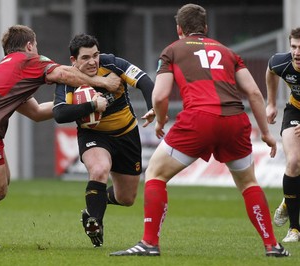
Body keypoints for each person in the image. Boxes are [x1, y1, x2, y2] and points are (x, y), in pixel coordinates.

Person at [110, 3, 290, 257]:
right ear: (205, 28)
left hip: (199, 120)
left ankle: (149, 243)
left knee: (156, 174)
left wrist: (160, 121)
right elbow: (253, 93)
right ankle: (272, 245)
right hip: (235, 121)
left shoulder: (173, 50)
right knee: (249, 183)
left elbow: (160, 96)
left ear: (179, 29)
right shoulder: (228, 52)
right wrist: (266, 133)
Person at [0, 25, 121, 249]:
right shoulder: (28, 60)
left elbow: (36, 113)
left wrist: (78, 106)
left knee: (1, 183)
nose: (38, 50)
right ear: (29, 45)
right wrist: (103, 83)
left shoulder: (10, 71)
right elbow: (64, 73)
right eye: (36, 46)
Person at [53, 34, 155, 247]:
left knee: (126, 198)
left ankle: (93, 206)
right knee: (99, 169)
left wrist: (152, 107)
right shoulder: (67, 79)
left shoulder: (112, 64)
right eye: (86, 57)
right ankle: (95, 222)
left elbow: (145, 81)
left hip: (127, 133)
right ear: (74, 61)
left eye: (95, 55)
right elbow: (60, 114)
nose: (92, 61)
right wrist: (92, 106)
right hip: (94, 135)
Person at [266, 27, 300, 242]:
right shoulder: (282, 62)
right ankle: (295, 230)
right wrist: (270, 103)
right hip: (295, 110)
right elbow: (270, 71)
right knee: (294, 161)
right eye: (294, 47)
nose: (297, 53)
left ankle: (288, 201)